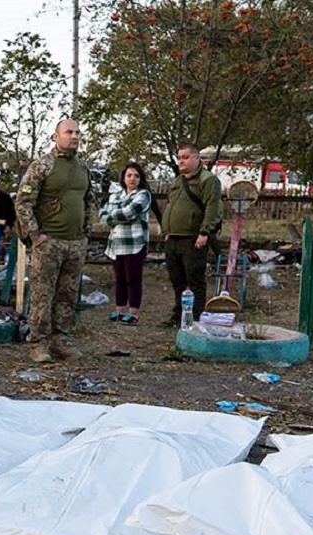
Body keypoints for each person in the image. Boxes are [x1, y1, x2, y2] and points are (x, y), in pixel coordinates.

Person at [14, 118, 96, 362]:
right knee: (43, 295)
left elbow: (89, 201)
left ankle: (59, 341)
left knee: (67, 296)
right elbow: (23, 201)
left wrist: (86, 233)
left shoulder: (83, 169)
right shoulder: (42, 165)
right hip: (49, 243)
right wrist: (35, 235)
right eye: (69, 132)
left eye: (77, 132)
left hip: (75, 243)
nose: (74, 136)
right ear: (56, 136)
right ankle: (38, 343)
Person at [160, 142, 223, 325]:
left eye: (186, 157)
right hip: (173, 238)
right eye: (179, 158)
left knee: (194, 280)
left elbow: (212, 207)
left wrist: (204, 232)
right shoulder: (178, 181)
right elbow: (171, 205)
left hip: (193, 238)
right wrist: (167, 231)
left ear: (197, 158)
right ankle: (178, 315)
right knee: (177, 279)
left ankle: (194, 317)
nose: (181, 161)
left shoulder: (207, 180)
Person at [99, 162, 153, 325]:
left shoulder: (143, 195)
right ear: (123, 178)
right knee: (119, 279)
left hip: (135, 243)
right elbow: (102, 216)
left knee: (133, 279)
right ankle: (120, 310)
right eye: (129, 175)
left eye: (136, 176)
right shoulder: (115, 195)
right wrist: (114, 216)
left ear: (141, 179)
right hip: (116, 243)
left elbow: (129, 213)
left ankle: (134, 313)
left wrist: (112, 215)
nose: (132, 179)